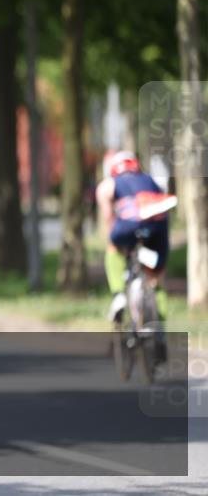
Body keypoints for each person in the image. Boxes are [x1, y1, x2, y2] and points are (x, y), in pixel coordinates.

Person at [96, 150, 172, 361]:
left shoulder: (110, 183)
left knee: (113, 248)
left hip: (128, 224)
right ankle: (159, 330)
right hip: (158, 225)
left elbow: (107, 215)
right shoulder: (150, 180)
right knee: (156, 278)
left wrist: (112, 234)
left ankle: (118, 294)